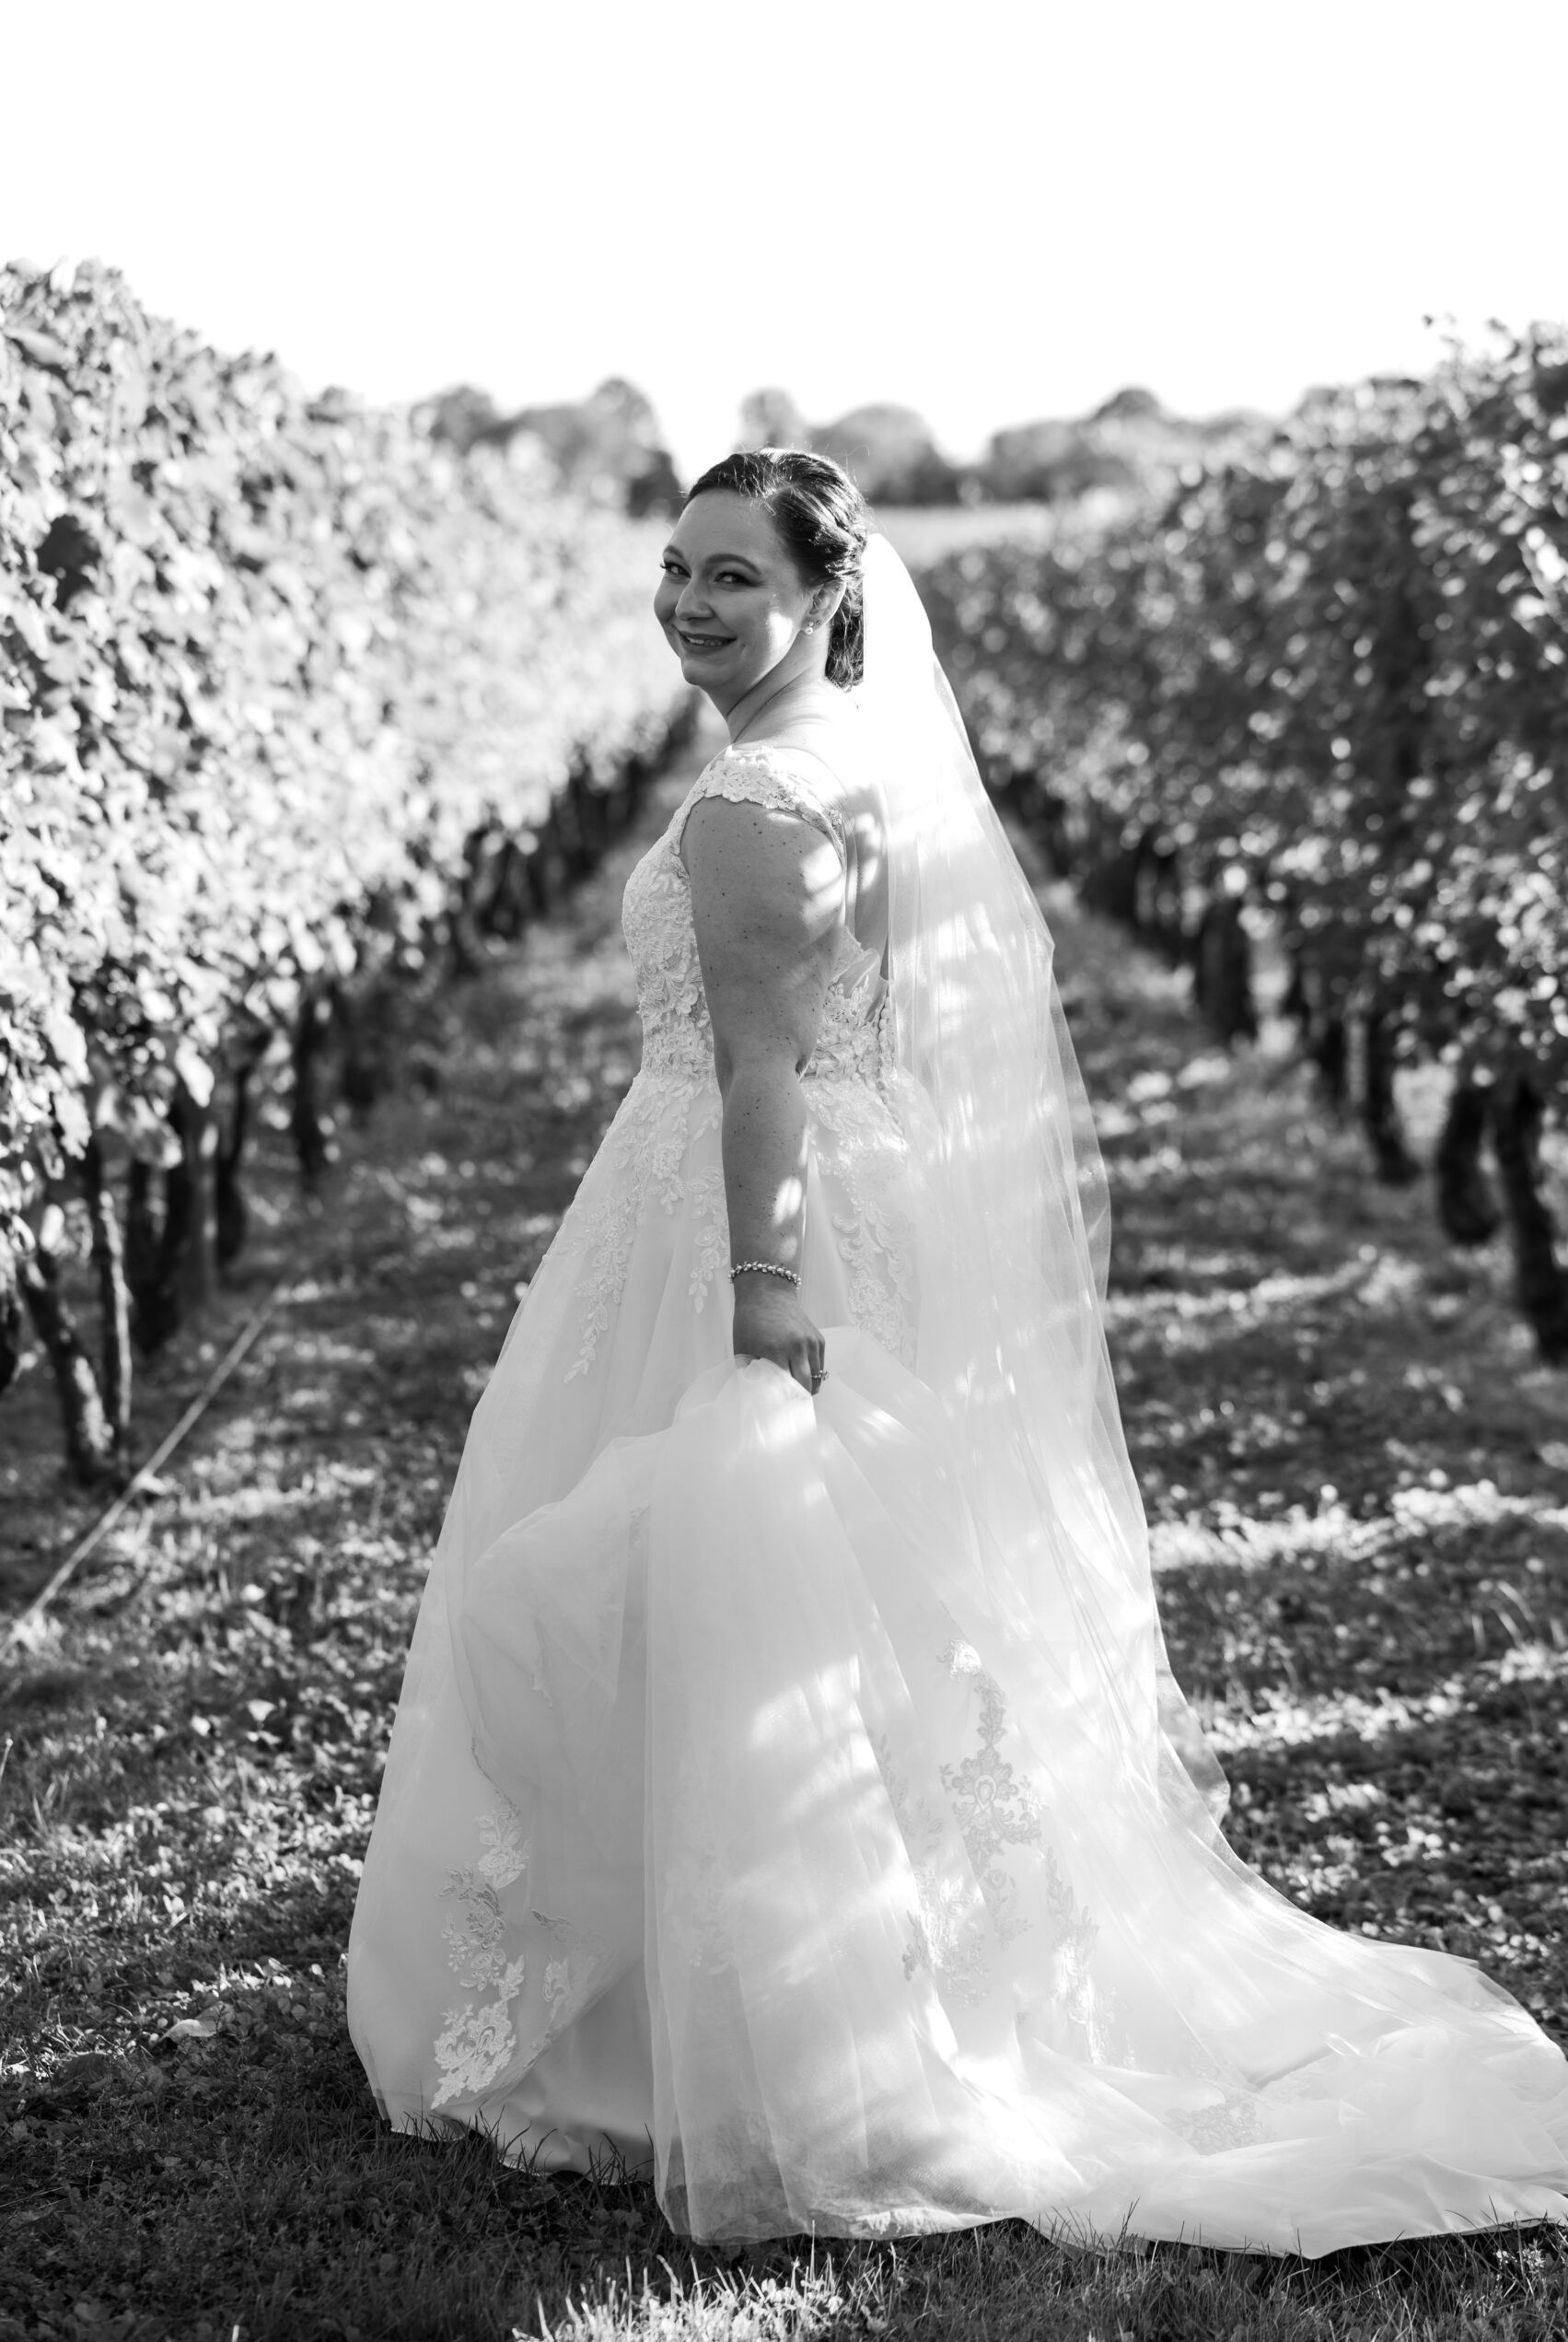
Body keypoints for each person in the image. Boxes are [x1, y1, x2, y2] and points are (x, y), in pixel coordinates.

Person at [347, 449, 1568, 2252]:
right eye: (675, 565)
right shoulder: (861, 770)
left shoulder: (756, 798)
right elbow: (883, 1034)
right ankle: (817, 1968)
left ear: (825, 596)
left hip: (733, 1207)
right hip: (853, 1188)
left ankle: (692, 2029)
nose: (688, 599)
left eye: (731, 577)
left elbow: (764, 1069)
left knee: (721, 1571)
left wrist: (762, 1283)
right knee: (846, 1603)